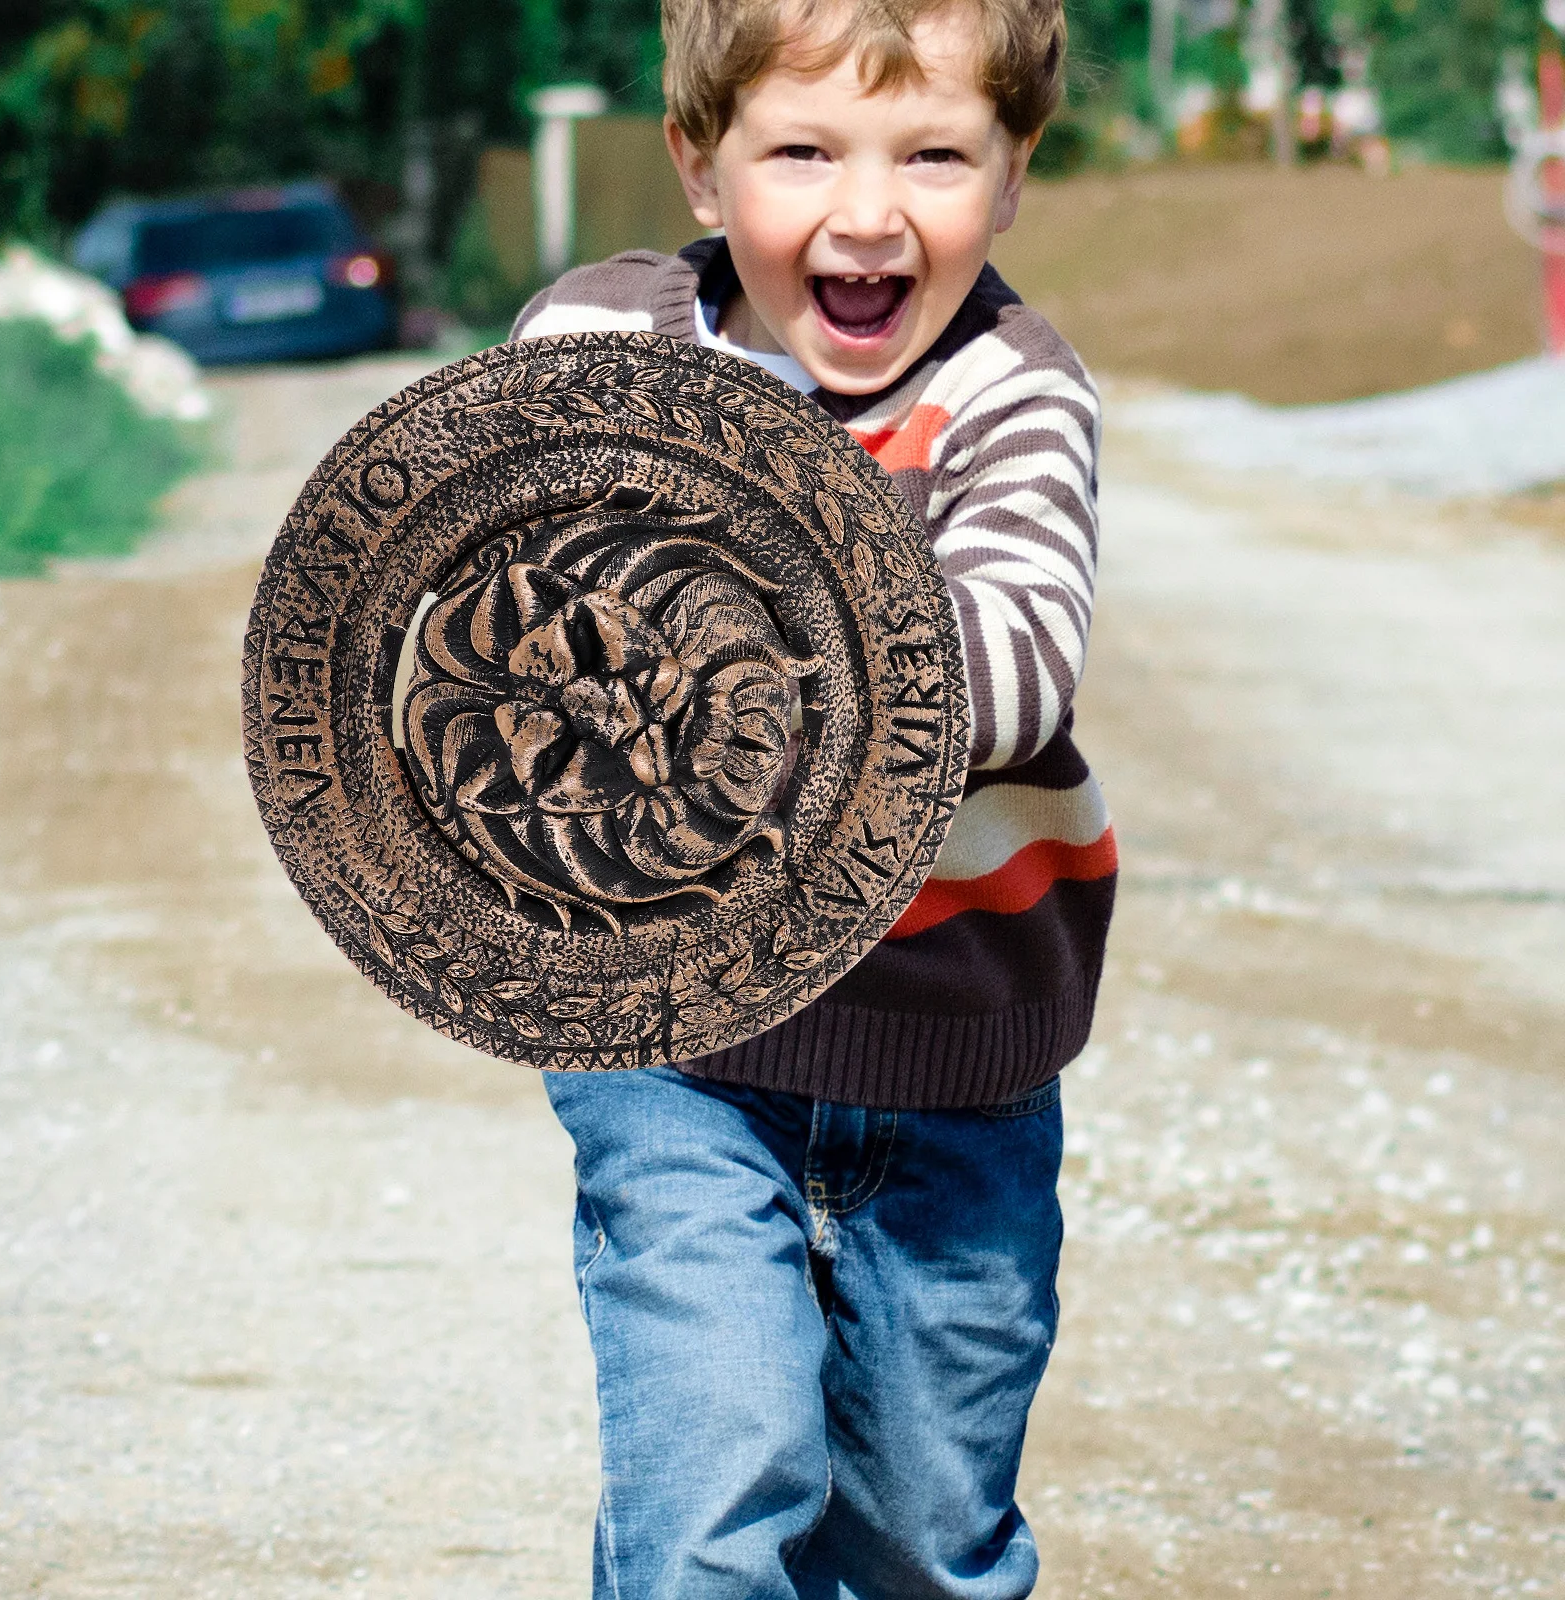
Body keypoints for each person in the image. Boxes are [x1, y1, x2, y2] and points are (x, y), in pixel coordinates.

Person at [512, 1, 1116, 1593]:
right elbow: (485, 597)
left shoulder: (1012, 393)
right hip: (679, 1043)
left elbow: (1014, 668)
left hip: (952, 1040)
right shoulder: (592, 349)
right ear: (700, 169)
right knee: (715, 1466)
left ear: (1013, 174)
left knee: (928, 1527)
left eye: (932, 154)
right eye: (801, 151)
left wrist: (714, 665)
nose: (865, 212)